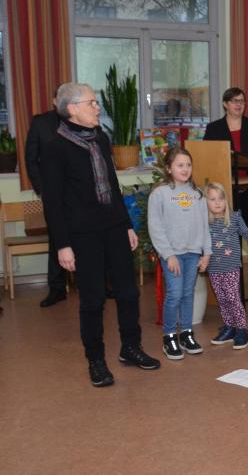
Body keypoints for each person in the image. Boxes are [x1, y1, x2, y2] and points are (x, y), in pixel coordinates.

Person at [40, 82, 160, 386]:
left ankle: (131, 348)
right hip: (82, 235)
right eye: (91, 102)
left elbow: (113, 186)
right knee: (93, 300)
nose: (97, 107)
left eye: (96, 102)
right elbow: (52, 203)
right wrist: (63, 245)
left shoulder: (101, 139)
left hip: (114, 228)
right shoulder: (55, 148)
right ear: (72, 109)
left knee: (129, 293)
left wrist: (127, 225)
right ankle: (95, 360)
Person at [203, 87, 248, 292]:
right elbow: (209, 157)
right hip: (225, 192)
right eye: (234, 101)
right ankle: (232, 279)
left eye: (242, 101)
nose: (239, 104)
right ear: (225, 104)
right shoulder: (214, 128)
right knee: (230, 237)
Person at [148, 147, 212, 360]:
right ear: (169, 168)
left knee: (187, 294)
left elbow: (204, 226)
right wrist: (168, 254)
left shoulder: (198, 194)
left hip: (193, 252)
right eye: (180, 165)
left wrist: (206, 253)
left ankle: (186, 333)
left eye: (188, 165)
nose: (185, 169)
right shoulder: (160, 194)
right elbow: (155, 227)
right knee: (174, 294)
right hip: (172, 255)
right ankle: (169, 336)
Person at [205, 182, 248, 350]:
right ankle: (229, 327)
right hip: (214, 269)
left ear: (226, 200)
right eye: (212, 199)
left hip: (231, 267)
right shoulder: (205, 222)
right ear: (206, 202)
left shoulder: (235, 218)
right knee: (222, 300)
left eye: (221, 198)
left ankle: (242, 330)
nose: (217, 202)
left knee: (233, 298)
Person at [24, 91, 68, 307]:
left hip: (81, 194)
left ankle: (99, 284)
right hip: (53, 194)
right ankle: (57, 289)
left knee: (90, 238)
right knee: (57, 239)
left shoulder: (79, 120)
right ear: (54, 101)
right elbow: (30, 159)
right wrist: (43, 189)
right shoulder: (41, 123)